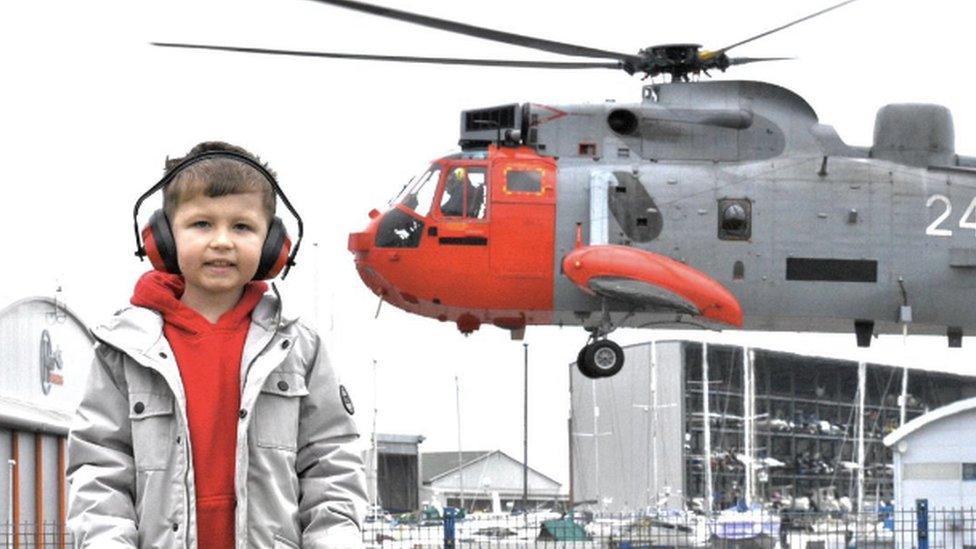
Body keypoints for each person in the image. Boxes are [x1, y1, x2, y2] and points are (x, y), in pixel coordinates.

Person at [66, 142, 367, 548]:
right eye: (202, 224)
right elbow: (100, 469)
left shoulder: (300, 348)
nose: (222, 241)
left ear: (274, 245)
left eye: (242, 227)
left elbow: (332, 466)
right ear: (162, 239)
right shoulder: (121, 352)